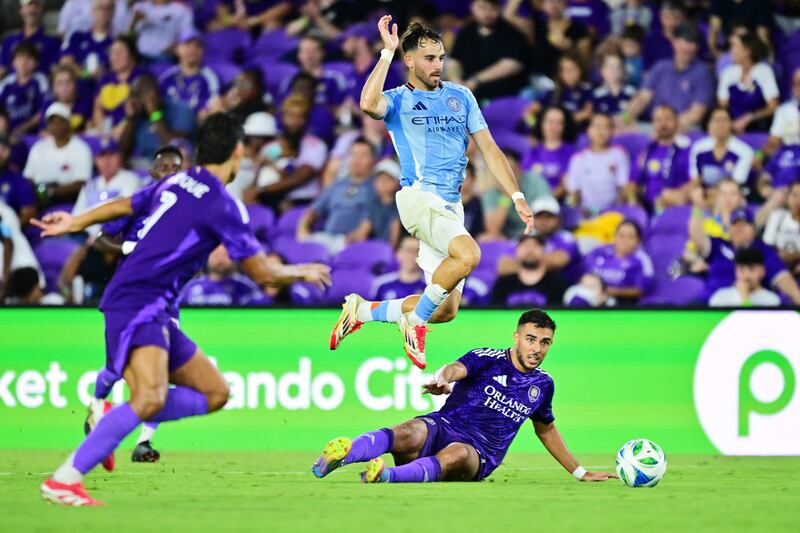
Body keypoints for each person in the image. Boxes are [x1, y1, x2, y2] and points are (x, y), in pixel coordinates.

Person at [34, 112, 331, 506]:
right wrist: (300, 271)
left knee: (215, 393)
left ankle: (110, 422)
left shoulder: (175, 180)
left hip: (151, 305)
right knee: (150, 399)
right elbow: (263, 274)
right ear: (237, 153)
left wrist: (76, 222)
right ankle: (65, 478)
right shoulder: (222, 205)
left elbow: (125, 204)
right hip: (139, 302)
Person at [331, 18, 533, 368]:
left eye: (440, 57)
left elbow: (489, 148)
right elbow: (367, 104)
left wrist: (516, 196)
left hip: (451, 208)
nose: (437, 65)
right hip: (419, 198)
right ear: (409, 60)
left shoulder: (461, 96)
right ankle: (414, 320)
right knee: (469, 254)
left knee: (446, 310)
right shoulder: (396, 101)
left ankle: (363, 310)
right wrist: (386, 53)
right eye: (428, 58)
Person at [313, 309, 617, 484]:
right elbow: (455, 368)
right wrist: (443, 379)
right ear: (516, 337)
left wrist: (580, 472)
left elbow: (546, 429)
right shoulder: (488, 357)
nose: (537, 348)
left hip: (479, 455)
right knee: (409, 430)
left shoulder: (543, 385)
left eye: (545, 342)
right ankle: (341, 456)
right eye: (531, 339)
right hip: (443, 426)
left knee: (457, 453)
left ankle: (385, 476)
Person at [73, 145, 183, 463]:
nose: (171, 173)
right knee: (116, 368)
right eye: (165, 167)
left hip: (165, 301)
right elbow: (99, 238)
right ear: (153, 172)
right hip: (128, 297)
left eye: (177, 168)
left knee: (163, 370)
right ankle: (96, 404)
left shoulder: (189, 213)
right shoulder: (140, 203)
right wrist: (127, 247)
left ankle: (144, 442)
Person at [688, 201, 800, 305]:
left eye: (745, 224)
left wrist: (797, 297)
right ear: (729, 229)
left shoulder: (763, 250)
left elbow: (782, 277)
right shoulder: (718, 245)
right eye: (736, 224)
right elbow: (697, 236)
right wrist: (698, 207)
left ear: (753, 229)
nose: (739, 228)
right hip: (708, 303)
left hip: (749, 303)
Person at [626, 22, 714, 131]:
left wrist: (665, 126)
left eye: (694, 43)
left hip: (685, 127)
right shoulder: (660, 68)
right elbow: (643, 98)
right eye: (686, 42)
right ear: (675, 42)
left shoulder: (703, 73)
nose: (690, 48)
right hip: (654, 125)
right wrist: (625, 117)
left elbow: (696, 114)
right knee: (625, 129)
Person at [248, 94, 329, 212]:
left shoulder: (315, 145)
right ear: (283, 117)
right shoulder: (274, 146)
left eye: (300, 117)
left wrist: (261, 190)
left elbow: (300, 177)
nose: (295, 122)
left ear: (306, 120)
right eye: (291, 116)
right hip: (272, 198)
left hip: (302, 200)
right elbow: (261, 164)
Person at [296, 137, 376, 253]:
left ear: (373, 159)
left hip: (350, 242)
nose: (357, 160)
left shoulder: (376, 188)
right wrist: (302, 231)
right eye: (353, 155)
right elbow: (313, 211)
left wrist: (356, 236)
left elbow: (371, 219)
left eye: (363, 155)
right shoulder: (337, 185)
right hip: (327, 238)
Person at [447, 0, 530, 101]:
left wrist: (475, 80)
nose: (487, 13)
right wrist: (456, 81)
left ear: (499, 9)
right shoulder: (466, 31)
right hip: (466, 86)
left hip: (500, 90)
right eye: (482, 8)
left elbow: (512, 65)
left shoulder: (510, 31)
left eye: (493, 8)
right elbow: (454, 60)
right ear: (472, 7)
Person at [23, 103, 93, 208]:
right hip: (40, 198)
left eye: (61, 122)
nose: (57, 126)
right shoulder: (39, 147)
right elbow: (28, 178)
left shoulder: (81, 148)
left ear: (68, 124)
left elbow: (82, 183)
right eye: (52, 123)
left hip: (70, 200)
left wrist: (52, 191)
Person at [565, 113, 632, 216]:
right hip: (586, 213)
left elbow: (624, 188)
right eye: (597, 127)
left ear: (611, 131)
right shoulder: (578, 159)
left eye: (606, 127)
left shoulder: (619, 155)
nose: (601, 132)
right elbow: (574, 193)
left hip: (612, 212)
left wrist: (618, 211)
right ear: (588, 130)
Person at [71, 140, 142, 237]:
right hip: (87, 235)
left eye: (111, 155)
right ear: (95, 160)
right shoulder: (91, 184)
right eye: (102, 156)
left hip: (116, 236)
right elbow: (76, 215)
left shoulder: (131, 179)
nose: (107, 160)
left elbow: (124, 215)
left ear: (120, 157)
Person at [482, 149, 551, 240]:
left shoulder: (536, 182)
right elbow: (493, 229)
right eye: (500, 172)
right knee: (488, 239)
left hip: (537, 235)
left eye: (509, 171)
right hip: (509, 239)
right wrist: (507, 196)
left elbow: (548, 217)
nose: (504, 176)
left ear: (519, 169)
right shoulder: (492, 192)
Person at [158, 29, 220, 129]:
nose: (193, 50)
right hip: (168, 124)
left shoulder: (210, 77)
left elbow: (216, 104)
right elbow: (155, 105)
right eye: (187, 44)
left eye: (198, 46)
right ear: (177, 48)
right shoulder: (166, 77)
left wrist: (207, 114)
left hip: (194, 127)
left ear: (203, 51)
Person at [580, 219, 654, 305]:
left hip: (621, 301)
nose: (625, 240)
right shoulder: (600, 251)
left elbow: (642, 289)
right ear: (615, 237)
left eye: (630, 237)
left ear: (638, 241)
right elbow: (584, 272)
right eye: (621, 235)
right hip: (591, 293)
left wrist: (612, 292)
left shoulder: (642, 259)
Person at [716, 32, 778, 133]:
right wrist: (730, 124)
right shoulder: (728, 73)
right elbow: (722, 105)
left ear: (747, 50)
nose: (731, 51)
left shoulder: (763, 71)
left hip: (758, 128)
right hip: (731, 128)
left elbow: (773, 107)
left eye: (734, 46)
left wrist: (749, 118)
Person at [633, 105, 691, 211]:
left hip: (676, 206)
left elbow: (694, 182)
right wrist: (632, 202)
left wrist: (673, 196)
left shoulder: (688, 150)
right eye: (659, 120)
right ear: (653, 123)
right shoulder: (645, 151)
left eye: (668, 119)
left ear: (677, 122)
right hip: (647, 207)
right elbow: (632, 181)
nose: (663, 124)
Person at [180, 244, 271, 306]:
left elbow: (263, 308)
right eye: (216, 255)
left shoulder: (245, 286)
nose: (220, 259)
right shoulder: (191, 286)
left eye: (224, 255)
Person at [491, 235, 568, 306]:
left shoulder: (556, 282)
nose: (530, 250)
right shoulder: (503, 283)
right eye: (525, 245)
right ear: (517, 250)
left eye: (536, 245)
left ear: (544, 250)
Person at [689, 107, 754, 190]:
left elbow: (736, 184)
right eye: (716, 120)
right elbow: (695, 179)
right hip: (704, 195)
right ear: (708, 124)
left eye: (724, 120)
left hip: (732, 195)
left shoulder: (744, 151)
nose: (720, 125)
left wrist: (709, 196)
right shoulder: (699, 147)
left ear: (731, 123)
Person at [522, 105, 576, 200]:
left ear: (564, 126)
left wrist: (546, 199)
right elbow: (524, 181)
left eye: (559, 123)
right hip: (532, 203)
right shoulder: (532, 152)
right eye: (550, 121)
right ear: (542, 123)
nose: (553, 127)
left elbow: (568, 185)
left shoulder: (572, 153)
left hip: (559, 205)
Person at [0, 0, 61, 78]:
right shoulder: (9, 41)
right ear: (21, 10)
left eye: (36, 6)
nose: (32, 9)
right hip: (11, 88)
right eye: (28, 5)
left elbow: (55, 73)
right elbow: (2, 70)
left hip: (41, 87)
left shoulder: (53, 42)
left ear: (42, 10)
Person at [0, 42, 49, 138]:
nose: (24, 62)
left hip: (33, 135)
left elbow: (42, 112)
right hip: (6, 135)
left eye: (29, 58)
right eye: (20, 58)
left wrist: (22, 128)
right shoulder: (6, 84)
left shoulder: (40, 81)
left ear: (36, 63)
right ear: (13, 62)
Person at [59, 0, 116, 78]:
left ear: (113, 13)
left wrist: (104, 74)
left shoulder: (116, 43)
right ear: (92, 11)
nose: (104, 12)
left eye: (108, 9)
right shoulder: (77, 37)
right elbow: (65, 62)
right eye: (100, 8)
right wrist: (86, 73)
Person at [531, 195, 582, 283]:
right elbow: (504, 266)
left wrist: (526, 261)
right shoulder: (527, 237)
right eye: (539, 216)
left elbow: (557, 261)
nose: (544, 221)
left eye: (549, 216)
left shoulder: (566, 238)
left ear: (559, 219)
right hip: (535, 285)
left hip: (565, 285)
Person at [708, 248, 782, 307]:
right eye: (742, 269)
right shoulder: (720, 297)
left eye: (752, 269)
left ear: (762, 271)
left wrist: (745, 298)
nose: (746, 275)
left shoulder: (772, 300)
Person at [128, 0, 194, 62]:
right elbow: (128, 33)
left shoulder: (181, 10)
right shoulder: (139, 7)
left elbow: (187, 34)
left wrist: (175, 46)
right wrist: (135, 20)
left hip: (165, 57)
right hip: (140, 56)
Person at [761, 180, 800, 279]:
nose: (798, 201)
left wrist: (794, 256)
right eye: (794, 195)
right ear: (788, 197)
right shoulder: (777, 216)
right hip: (777, 264)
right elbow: (767, 244)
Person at [371, 236, 426, 301]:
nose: (412, 255)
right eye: (408, 250)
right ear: (398, 253)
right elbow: (374, 310)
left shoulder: (430, 286)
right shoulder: (382, 284)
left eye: (417, 251)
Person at [42, 66, 94, 132]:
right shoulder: (47, 106)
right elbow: (43, 132)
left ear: (75, 84)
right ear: (53, 87)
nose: (64, 87)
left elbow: (89, 128)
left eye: (68, 82)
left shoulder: (85, 103)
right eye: (59, 83)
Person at [0, 134, 35, 226]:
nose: (0, 154)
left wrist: (9, 230)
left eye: (3, 150)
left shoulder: (18, 180)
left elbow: (29, 212)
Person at [591, 52, 637, 119]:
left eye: (618, 67)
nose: (614, 71)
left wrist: (624, 119)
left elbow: (632, 118)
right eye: (610, 67)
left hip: (626, 127)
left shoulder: (633, 93)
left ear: (623, 70)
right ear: (602, 71)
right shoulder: (595, 94)